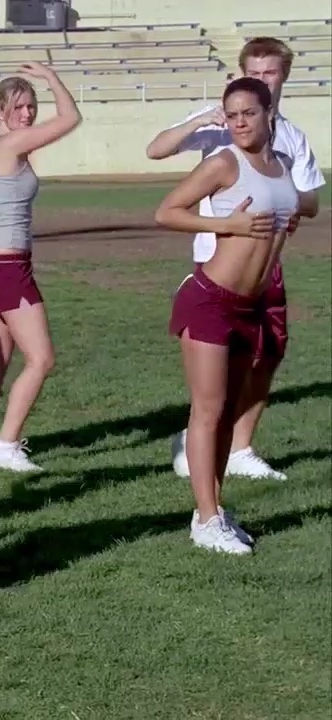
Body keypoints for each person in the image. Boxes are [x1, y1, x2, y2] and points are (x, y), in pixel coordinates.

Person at [146, 37, 325, 482]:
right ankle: (199, 441)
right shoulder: (223, 122)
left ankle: (240, 448)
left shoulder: (291, 137)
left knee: (269, 354)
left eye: (270, 72)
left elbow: (310, 201)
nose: (262, 79)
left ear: (283, 76)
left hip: (266, 263)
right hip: (216, 262)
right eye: (254, 72)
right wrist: (199, 121)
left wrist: (284, 203)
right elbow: (156, 150)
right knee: (215, 375)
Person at [154, 77, 304, 554]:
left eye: (249, 113)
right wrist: (227, 224)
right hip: (209, 300)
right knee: (208, 410)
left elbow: (292, 213)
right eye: (233, 114)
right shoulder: (224, 163)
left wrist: (286, 221)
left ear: (268, 114)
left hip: (250, 306)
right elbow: (167, 212)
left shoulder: (282, 166)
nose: (240, 122)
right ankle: (205, 520)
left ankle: (214, 510)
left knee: (225, 414)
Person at [0, 62, 82, 472]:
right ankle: (5, 445)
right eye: (19, 106)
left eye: (31, 106)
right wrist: (52, 77)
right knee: (41, 359)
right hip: (5, 270)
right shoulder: (10, 144)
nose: (27, 113)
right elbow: (71, 118)